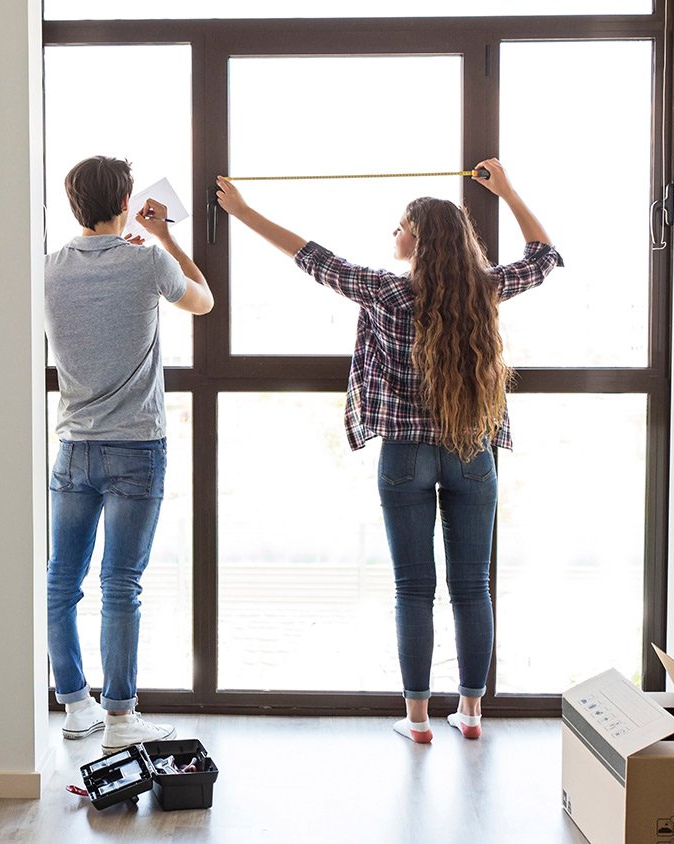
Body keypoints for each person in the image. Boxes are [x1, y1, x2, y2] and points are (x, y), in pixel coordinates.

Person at [215, 159, 560, 742]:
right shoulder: (487, 290)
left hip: (405, 455)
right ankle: (472, 714)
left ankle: (419, 720)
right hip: (472, 449)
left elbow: (312, 257)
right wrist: (508, 191)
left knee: (413, 588)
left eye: (400, 226)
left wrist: (244, 213)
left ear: (420, 239)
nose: (393, 235)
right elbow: (545, 256)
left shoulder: (385, 292)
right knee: (472, 585)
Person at [46, 156, 214, 752]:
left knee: (61, 580)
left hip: (72, 449)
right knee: (121, 583)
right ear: (124, 202)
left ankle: (74, 705)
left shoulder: (49, 269)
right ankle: (120, 718)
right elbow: (204, 302)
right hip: (137, 448)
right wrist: (166, 237)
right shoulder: (148, 261)